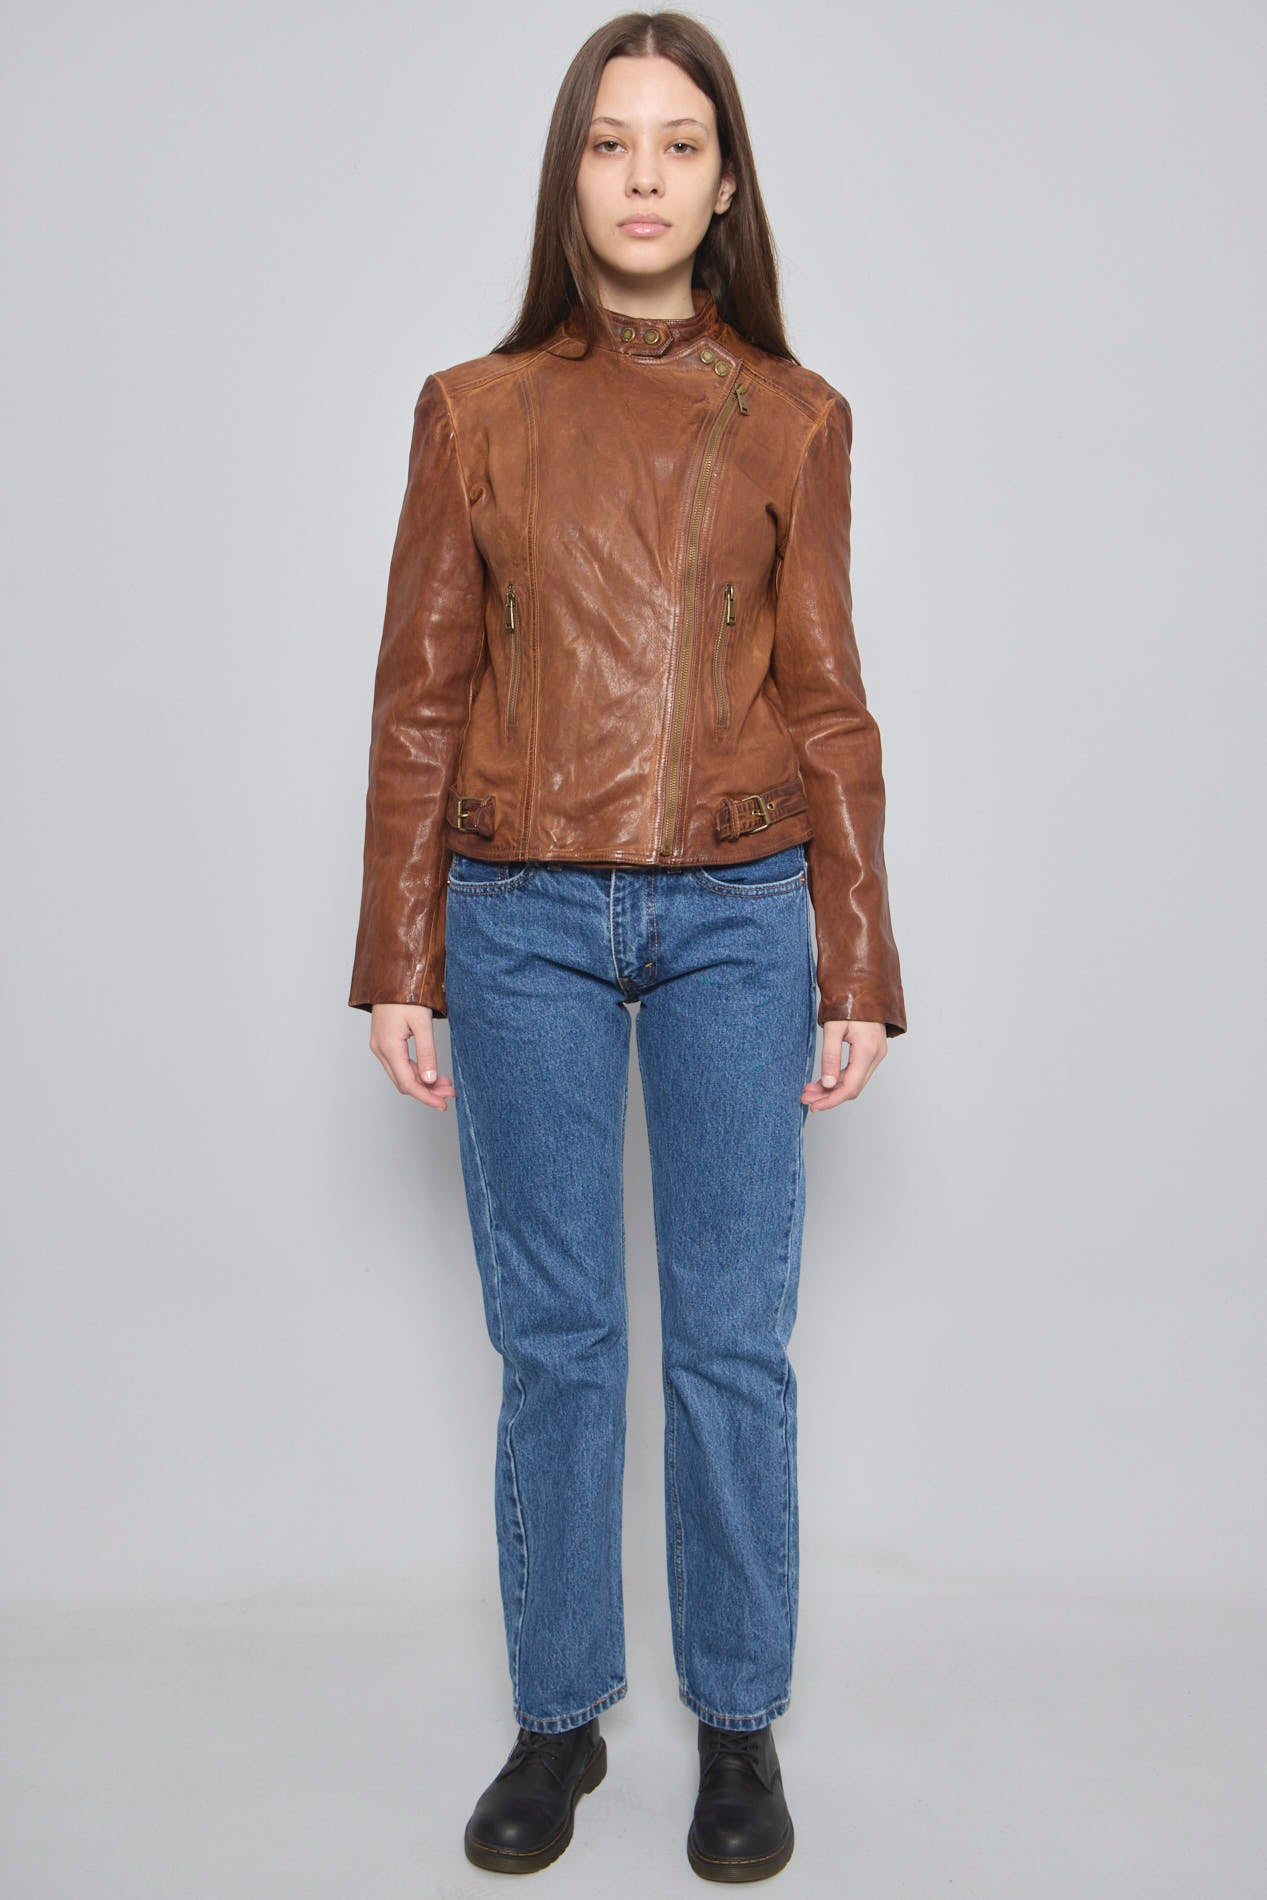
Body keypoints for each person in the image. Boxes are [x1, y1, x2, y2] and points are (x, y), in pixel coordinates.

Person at [348, 10, 907, 1883]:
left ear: (727, 182)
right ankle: (558, 1720)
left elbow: (829, 702)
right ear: (570, 174)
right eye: (611, 142)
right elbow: (419, 698)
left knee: (732, 1345)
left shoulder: (796, 415)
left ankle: (739, 1727)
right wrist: (402, 952)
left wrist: (857, 958)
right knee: (560, 1342)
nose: (645, 175)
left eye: (679, 144)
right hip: (517, 920)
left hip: (742, 915)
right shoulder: (474, 411)